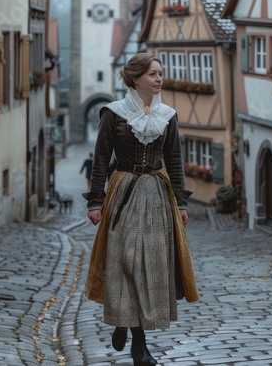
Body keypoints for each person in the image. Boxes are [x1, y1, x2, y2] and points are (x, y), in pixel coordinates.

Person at [83, 53, 199, 365]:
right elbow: (100, 160)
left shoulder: (168, 116)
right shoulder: (114, 114)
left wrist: (182, 202)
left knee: (150, 268)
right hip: (123, 194)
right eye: (153, 74)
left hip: (158, 196)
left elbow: (174, 161)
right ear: (136, 79)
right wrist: (95, 201)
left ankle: (135, 336)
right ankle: (134, 337)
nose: (159, 79)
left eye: (161, 74)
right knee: (125, 263)